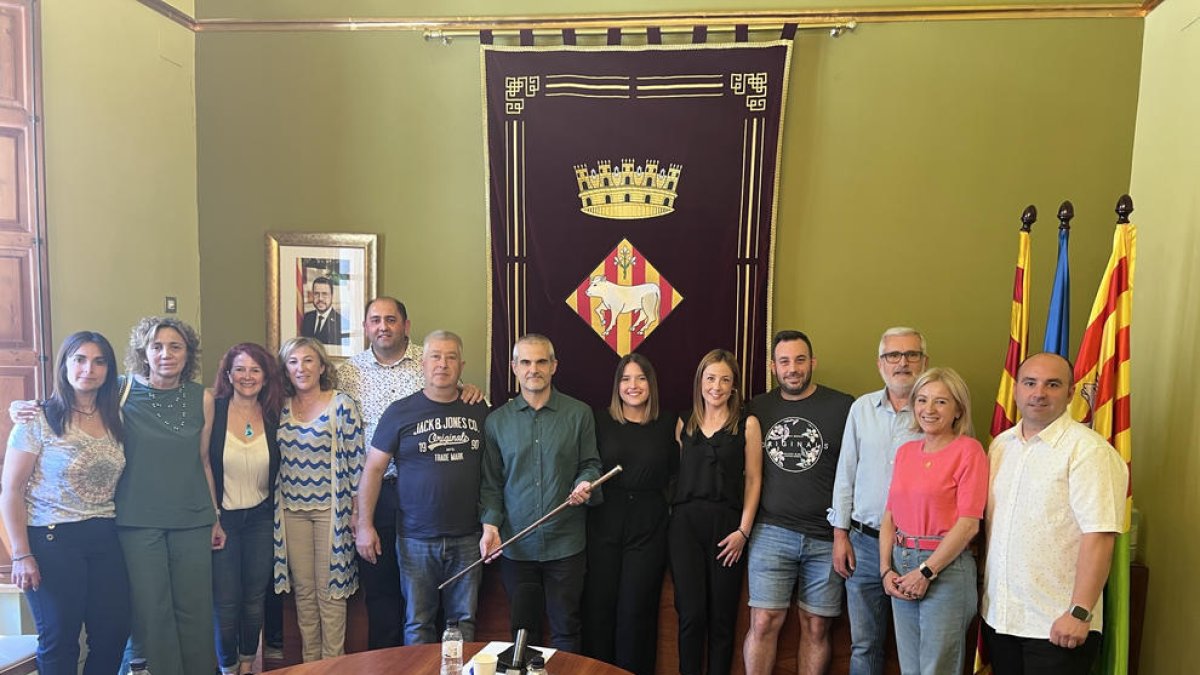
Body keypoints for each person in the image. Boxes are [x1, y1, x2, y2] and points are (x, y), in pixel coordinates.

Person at [338, 296, 483, 648]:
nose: (442, 364)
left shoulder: (470, 400)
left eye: (450, 358)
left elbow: (493, 471)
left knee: (452, 618)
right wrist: (363, 522)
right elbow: (370, 467)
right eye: (375, 319)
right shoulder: (366, 386)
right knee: (403, 611)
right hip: (399, 517)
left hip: (452, 523)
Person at [981, 353, 1127, 675]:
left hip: (1057, 624)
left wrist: (1079, 612)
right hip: (1001, 617)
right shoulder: (1000, 446)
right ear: (1016, 388)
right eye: (1030, 383)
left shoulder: (1090, 452)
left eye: (1053, 384)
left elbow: (1100, 535)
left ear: (1071, 393)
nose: (1039, 393)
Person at [1, 331, 130, 675]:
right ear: (65, 365)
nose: (89, 368)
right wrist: (21, 553)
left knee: (113, 633)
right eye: (80, 359)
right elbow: (11, 490)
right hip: (51, 540)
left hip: (105, 537)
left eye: (99, 361)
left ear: (109, 369)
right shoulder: (36, 419)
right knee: (60, 639)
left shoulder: (118, 417)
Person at [479, 334, 602, 652]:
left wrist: (585, 482)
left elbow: (591, 464)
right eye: (526, 362)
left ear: (554, 366)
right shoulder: (496, 422)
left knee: (566, 629)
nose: (533, 369)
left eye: (541, 362)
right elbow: (491, 484)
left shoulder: (579, 414)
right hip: (516, 546)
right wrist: (490, 527)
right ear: (514, 368)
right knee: (523, 633)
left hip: (566, 544)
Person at [743, 331, 853, 675]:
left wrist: (843, 532)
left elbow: (854, 472)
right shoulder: (758, 408)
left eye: (800, 360)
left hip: (826, 537)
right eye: (785, 361)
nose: (793, 369)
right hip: (770, 532)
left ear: (813, 363)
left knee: (817, 625)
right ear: (773, 367)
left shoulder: (843, 407)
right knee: (762, 621)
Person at [828, 327, 928, 675]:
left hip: (917, 548)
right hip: (864, 544)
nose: (902, 363)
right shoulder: (861, 409)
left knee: (916, 648)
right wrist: (840, 535)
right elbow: (846, 474)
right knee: (865, 644)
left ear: (924, 361)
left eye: (911, 355)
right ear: (880, 364)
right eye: (893, 356)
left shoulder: (938, 410)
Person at [879, 368, 987, 675]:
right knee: (910, 668)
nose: (929, 409)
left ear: (958, 410)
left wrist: (926, 571)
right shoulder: (906, 452)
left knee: (936, 668)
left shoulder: (969, 451)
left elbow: (969, 524)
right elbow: (889, 516)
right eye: (922, 400)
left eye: (941, 402)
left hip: (945, 567)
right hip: (901, 563)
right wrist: (886, 569)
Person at [582, 354, 678, 675]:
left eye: (640, 379)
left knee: (636, 610)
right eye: (625, 379)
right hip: (604, 520)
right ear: (616, 386)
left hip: (649, 524)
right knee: (600, 606)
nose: (632, 386)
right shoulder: (598, 420)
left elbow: (678, 474)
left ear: (651, 384)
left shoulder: (668, 423)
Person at [669, 349, 763, 675]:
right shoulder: (685, 424)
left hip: (728, 527)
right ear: (700, 382)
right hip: (685, 527)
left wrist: (743, 531)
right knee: (691, 614)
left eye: (725, 379)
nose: (717, 386)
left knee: (722, 619)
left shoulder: (747, 424)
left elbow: (753, 480)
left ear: (734, 385)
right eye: (711, 378)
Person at [273, 337, 365, 662]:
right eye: (294, 361)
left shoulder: (341, 404)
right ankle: (311, 665)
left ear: (322, 366)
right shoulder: (279, 406)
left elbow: (357, 463)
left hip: (332, 511)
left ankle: (333, 665)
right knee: (304, 595)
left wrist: (357, 511)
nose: (302, 368)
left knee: (330, 594)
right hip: (291, 511)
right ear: (285, 369)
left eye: (309, 360)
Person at [209, 343, 284, 675]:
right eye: (240, 369)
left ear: (266, 377)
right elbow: (202, 463)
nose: (247, 376)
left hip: (260, 518)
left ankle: (246, 665)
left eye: (255, 369)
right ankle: (227, 668)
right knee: (225, 603)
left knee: (254, 600)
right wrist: (213, 517)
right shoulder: (214, 409)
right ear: (228, 374)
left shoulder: (273, 414)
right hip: (223, 519)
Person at [299, 277, 344, 346]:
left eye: (324, 294)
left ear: (332, 296)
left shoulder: (341, 322)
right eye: (316, 294)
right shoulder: (307, 317)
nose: (320, 298)